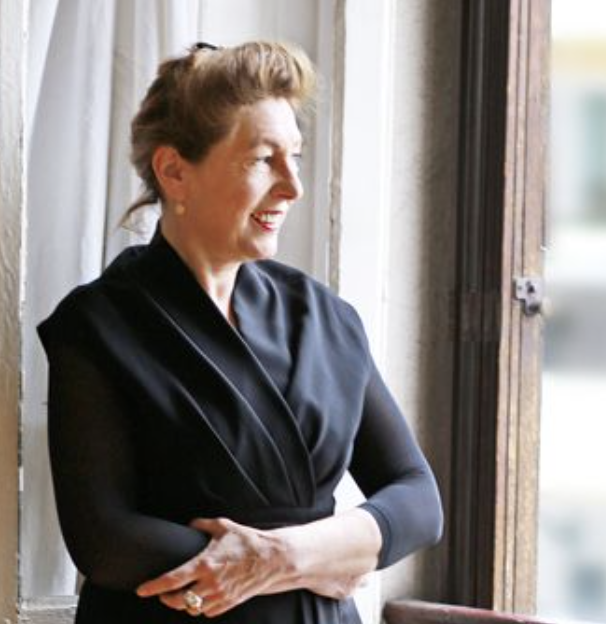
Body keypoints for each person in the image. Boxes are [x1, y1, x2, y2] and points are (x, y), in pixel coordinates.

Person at [36, 40, 443, 624]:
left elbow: (419, 500)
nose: (292, 186)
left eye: (295, 157)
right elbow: (105, 541)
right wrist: (324, 557)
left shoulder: (326, 319)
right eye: (262, 160)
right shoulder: (98, 326)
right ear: (175, 172)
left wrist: (286, 556)